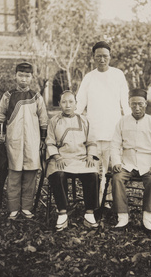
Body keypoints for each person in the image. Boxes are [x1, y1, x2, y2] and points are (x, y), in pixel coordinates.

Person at [76, 41, 131, 205]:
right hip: (93, 132)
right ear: (93, 57)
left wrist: (128, 125)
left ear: (110, 57)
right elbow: (79, 104)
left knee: (111, 169)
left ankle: (107, 201)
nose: (102, 59)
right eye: (98, 56)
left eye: (105, 56)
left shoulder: (118, 75)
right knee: (95, 170)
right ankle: (94, 203)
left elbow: (125, 103)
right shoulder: (89, 77)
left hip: (113, 131)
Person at [110, 88, 151, 232]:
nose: (137, 108)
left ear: (146, 104)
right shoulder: (122, 122)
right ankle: (122, 216)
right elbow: (114, 144)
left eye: (140, 104)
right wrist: (116, 162)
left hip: (148, 165)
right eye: (133, 104)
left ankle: (147, 218)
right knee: (117, 178)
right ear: (129, 104)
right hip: (127, 163)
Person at [0, 62, 48, 220]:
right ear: (15, 76)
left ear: (32, 77)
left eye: (27, 76)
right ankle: (13, 208)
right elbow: (0, 116)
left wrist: (43, 139)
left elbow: (43, 119)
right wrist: (0, 136)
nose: (23, 79)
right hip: (14, 142)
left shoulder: (36, 97)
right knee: (14, 175)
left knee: (30, 175)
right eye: (20, 75)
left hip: (32, 142)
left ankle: (26, 207)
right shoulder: (8, 96)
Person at [46, 90, 99, 231]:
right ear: (59, 104)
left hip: (81, 159)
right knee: (58, 174)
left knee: (92, 174)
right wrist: (57, 156)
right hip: (62, 158)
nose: (67, 105)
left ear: (76, 104)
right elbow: (50, 142)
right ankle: (62, 214)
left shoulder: (84, 120)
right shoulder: (53, 121)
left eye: (71, 102)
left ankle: (89, 214)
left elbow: (92, 141)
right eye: (64, 102)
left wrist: (90, 155)